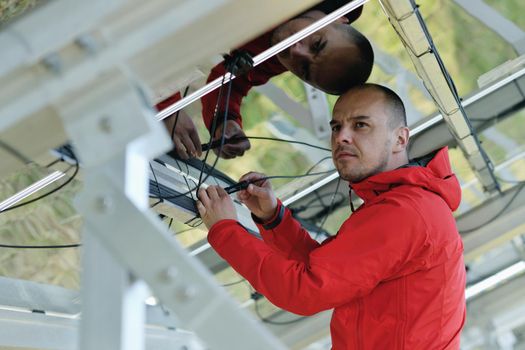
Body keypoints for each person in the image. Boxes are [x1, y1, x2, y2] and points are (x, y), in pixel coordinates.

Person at [196, 83, 466, 349]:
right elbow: (324, 270)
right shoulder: (405, 203)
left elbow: (303, 290)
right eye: (337, 126)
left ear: (400, 139)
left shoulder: (405, 212)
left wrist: (225, 230)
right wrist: (273, 218)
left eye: (360, 125)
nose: (341, 137)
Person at [157, 0, 374, 159]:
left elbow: (234, 80)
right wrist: (168, 104)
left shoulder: (282, 53)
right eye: (317, 43)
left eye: (304, 70)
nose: (296, 51)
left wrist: (225, 121)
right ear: (340, 17)